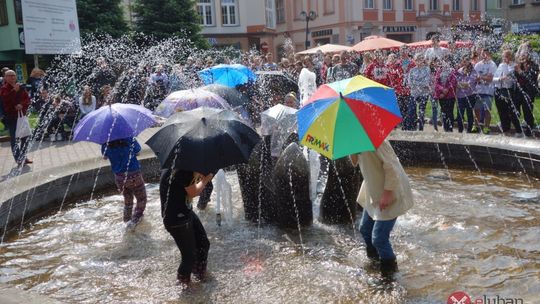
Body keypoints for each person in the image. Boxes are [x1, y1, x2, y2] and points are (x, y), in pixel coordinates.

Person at [350, 140, 414, 276]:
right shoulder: (354, 139)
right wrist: (351, 149)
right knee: (365, 229)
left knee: (379, 238)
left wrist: (388, 192)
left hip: (389, 191)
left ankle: (389, 274)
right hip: (374, 189)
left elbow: (392, 167)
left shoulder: (377, 140)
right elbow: (355, 162)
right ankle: (375, 262)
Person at [160, 168, 213, 286]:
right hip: (176, 219)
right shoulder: (183, 169)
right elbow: (193, 192)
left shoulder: (178, 163)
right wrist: (205, 180)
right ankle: (184, 287)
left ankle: (199, 274)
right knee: (189, 256)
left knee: (203, 243)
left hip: (184, 211)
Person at [102, 137, 147, 227]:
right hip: (134, 175)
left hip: (119, 177)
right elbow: (138, 151)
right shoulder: (129, 139)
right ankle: (135, 220)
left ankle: (126, 221)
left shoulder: (106, 142)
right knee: (141, 199)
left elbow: (104, 157)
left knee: (128, 199)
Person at [0, 69, 32, 166]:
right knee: (14, 139)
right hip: (11, 117)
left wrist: (22, 105)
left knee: (26, 137)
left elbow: (27, 99)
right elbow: (5, 99)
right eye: (9, 75)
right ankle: (18, 159)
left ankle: (23, 156)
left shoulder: (21, 86)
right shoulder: (3, 88)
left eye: (13, 75)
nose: (12, 77)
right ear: (5, 77)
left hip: (21, 115)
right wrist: (14, 90)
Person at [493, 50, 521, 136]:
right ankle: (506, 131)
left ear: (510, 56)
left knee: (512, 111)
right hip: (498, 89)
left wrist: (508, 66)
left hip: (509, 91)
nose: (504, 58)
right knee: (502, 111)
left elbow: (512, 76)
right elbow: (494, 78)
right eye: (503, 56)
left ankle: (518, 131)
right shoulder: (501, 65)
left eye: (506, 56)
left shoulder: (514, 65)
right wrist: (499, 79)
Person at [473, 48, 497, 134]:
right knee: (476, 109)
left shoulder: (492, 65)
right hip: (478, 90)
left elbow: (490, 78)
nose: (484, 55)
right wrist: (483, 77)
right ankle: (476, 126)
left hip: (488, 91)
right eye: (483, 53)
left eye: (486, 54)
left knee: (487, 110)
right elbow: (474, 77)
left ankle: (486, 127)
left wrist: (481, 77)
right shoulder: (478, 65)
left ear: (489, 54)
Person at [406, 53, 432, 131]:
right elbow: (410, 82)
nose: (418, 61)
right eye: (417, 60)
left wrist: (416, 83)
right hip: (414, 93)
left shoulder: (427, 69)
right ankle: (412, 128)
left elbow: (426, 82)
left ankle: (421, 128)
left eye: (420, 59)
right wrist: (419, 83)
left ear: (423, 60)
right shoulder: (412, 70)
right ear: (414, 60)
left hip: (423, 93)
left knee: (421, 111)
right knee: (411, 110)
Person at [456, 56, 478, 133]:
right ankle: (460, 131)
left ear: (469, 61)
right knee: (460, 115)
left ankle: (469, 131)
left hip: (470, 96)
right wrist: (461, 84)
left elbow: (469, 84)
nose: (464, 62)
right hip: (460, 96)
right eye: (463, 61)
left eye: (466, 61)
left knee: (469, 114)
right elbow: (456, 84)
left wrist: (460, 84)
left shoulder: (473, 71)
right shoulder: (459, 71)